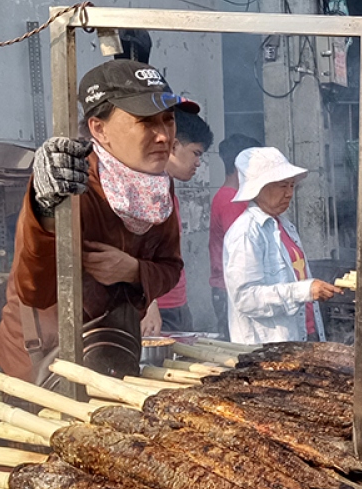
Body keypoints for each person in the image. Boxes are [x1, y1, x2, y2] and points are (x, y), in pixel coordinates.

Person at [0, 59, 190, 382]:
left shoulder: (157, 187)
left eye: (168, 120)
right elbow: (35, 291)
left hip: (112, 351)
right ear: (99, 129)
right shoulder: (69, 181)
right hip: (42, 362)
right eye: (146, 122)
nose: (163, 136)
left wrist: (132, 269)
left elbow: (170, 268)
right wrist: (44, 209)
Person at [223, 147, 340, 343]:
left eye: (292, 186)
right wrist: (304, 291)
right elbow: (245, 298)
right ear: (258, 188)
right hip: (267, 346)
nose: (289, 194)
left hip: (300, 333)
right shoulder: (245, 232)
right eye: (282, 186)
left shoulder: (285, 224)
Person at [144, 108, 212, 335]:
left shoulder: (167, 188)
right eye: (196, 153)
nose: (198, 162)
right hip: (158, 309)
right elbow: (138, 250)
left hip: (176, 302)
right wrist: (148, 303)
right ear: (173, 146)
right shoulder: (146, 189)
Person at [205, 133, 262, 339]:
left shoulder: (232, 197)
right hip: (230, 290)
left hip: (227, 288)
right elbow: (245, 252)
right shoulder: (232, 200)